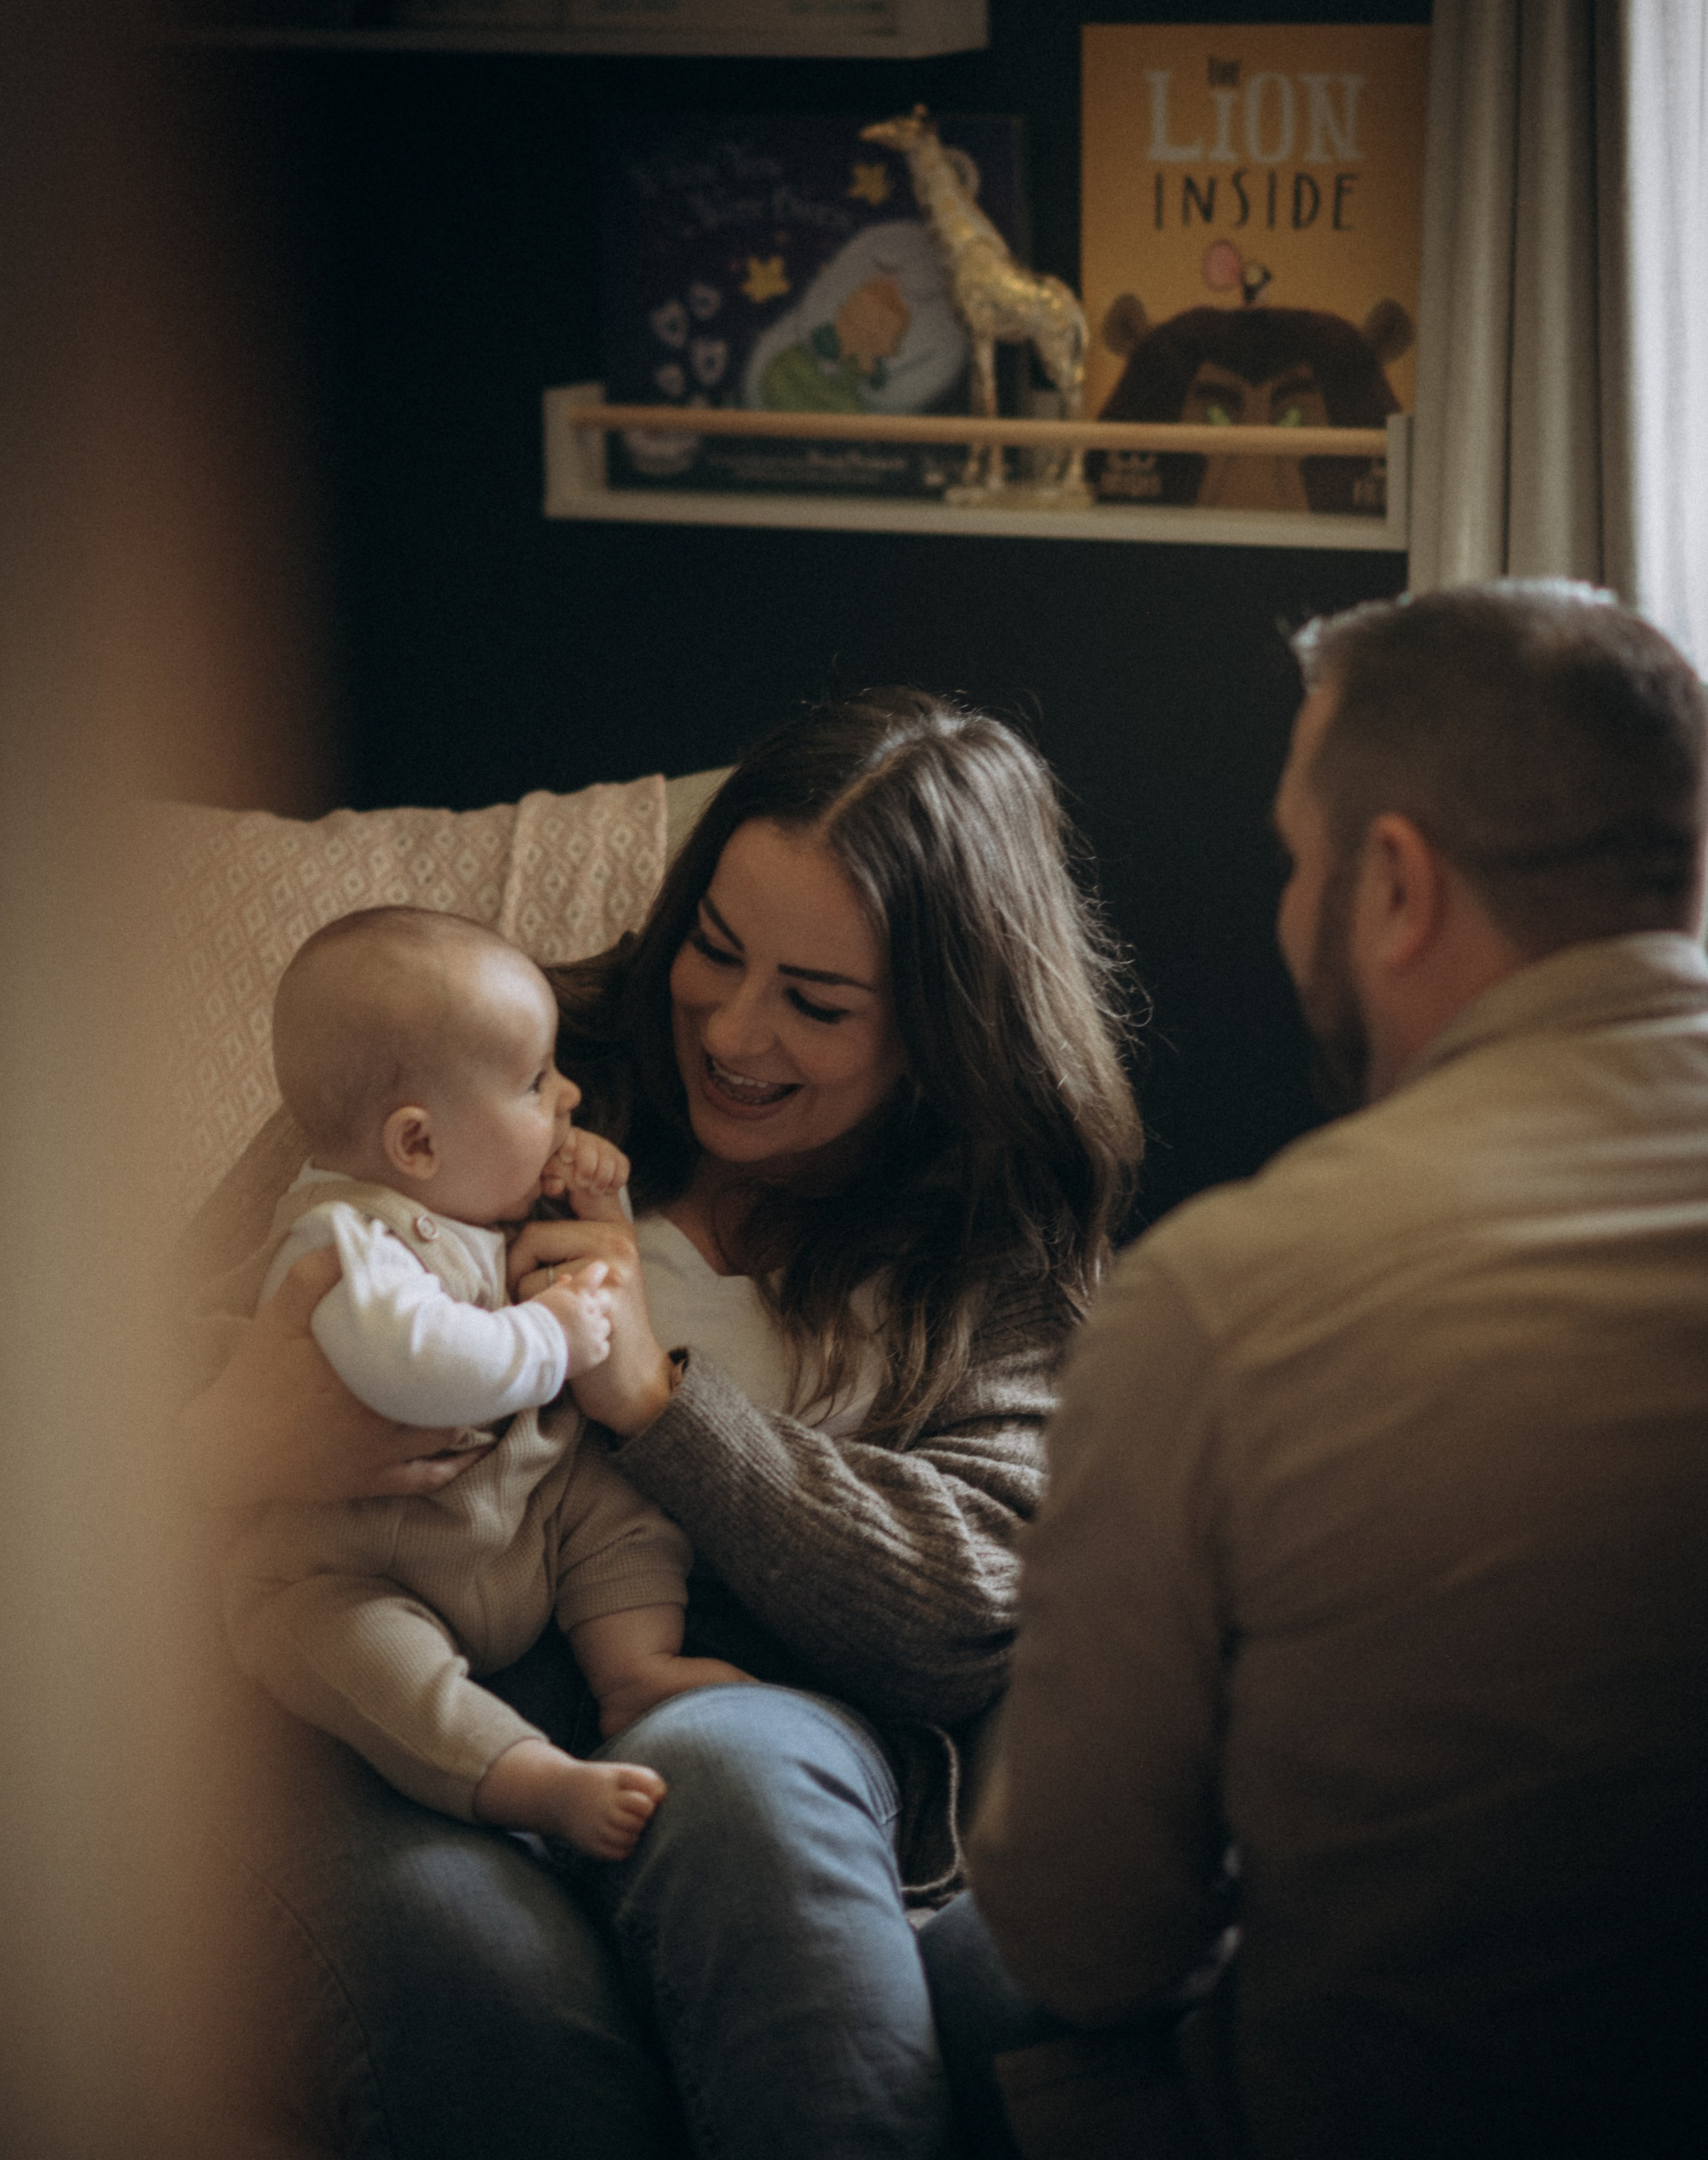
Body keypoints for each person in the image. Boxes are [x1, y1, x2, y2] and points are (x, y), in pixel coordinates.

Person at [179, 688, 1144, 2160]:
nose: (733, 1030)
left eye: (816, 1003)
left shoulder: (984, 1254)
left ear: (945, 1035)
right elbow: (102, 1378)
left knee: (740, 1775)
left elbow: (964, 1602)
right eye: (714, 948)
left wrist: (653, 1397)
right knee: (484, 1981)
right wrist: (233, 1440)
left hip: (723, 1723)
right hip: (370, 1707)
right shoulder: (472, 1039)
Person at [925, 582, 1708, 2160]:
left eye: (1299, 860)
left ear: (1396, 884)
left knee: (953, 1971)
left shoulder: (1231, 1298)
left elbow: (1092, 1935)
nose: (1289, 914)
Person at [222, 906, 749, 1862]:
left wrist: (599, 1205)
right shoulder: (342, 1239)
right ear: (417, 1144)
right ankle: (523, 1776)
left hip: (515, 1522)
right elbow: (413, 1363)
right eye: (537, 1081)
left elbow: (596, 1283)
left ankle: (634, 1665)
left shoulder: (469, 1201)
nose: (570, 1093)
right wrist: (546, 1334)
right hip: (357, 1571)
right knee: (366, 1659)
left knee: (619, 1486)